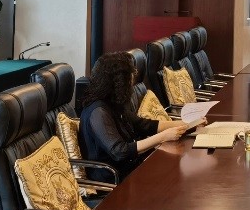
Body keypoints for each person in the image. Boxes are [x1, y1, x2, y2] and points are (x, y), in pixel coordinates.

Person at [77, 52, 194, 181]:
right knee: (175, 174)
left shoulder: (113, 101)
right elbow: (119, 151)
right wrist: (162, 137)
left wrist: (188, 123)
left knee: (179, 167)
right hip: (113, 176)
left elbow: (143, 125)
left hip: (130, 165)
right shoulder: (98, 112)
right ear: (118, 81)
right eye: (130, 75)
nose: (133, 79)